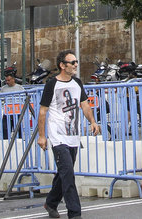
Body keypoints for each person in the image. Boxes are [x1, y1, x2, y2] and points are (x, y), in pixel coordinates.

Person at [36, 51, 100, 219]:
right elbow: (42, 112)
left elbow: (85, 106)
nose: (75, 65)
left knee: (64, 172)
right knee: (68, 174)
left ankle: (50, 203)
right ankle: (75, 214)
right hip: (57, 137)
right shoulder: (51, 85)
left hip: (73, 136)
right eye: (72, 62)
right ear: (62, 65)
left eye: (76, 62)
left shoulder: (77, 83)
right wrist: (42, 136)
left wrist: (93, 121)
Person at [0, 72, 25, 139]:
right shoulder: (3, 89)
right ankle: (6, 143)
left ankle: (20, 142)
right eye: (6, 80)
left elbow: (25, 99)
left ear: (13, 79)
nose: (7, 82)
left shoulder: (20, 88)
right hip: (7, 112)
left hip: (17, 111)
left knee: (19, 129)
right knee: (5, 129)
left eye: (8, 80)